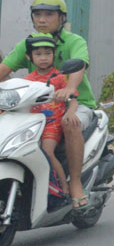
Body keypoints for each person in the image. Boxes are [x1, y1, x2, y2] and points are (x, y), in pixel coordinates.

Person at [0, 0, 96, 205]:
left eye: (49, 15)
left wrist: (70, 87)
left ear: (62, 18)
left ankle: (76, 184)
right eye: (38, 15)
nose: (42, 20)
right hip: (38, 107)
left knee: (70, 123)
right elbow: (4, 69)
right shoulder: (28, 44)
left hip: (75, 103)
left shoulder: (74, 41)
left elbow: (79, 65)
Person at [23, 33, 79, 206]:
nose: (43, 58)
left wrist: (70, 113)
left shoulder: (60, 78)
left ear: (54, 54)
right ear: (29, 56)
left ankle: (64, 187)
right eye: (38, 54)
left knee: (47, 152)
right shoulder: (27, 80)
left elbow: (74, 98)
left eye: (47, 53)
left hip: (52, 123)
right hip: (32, 123)